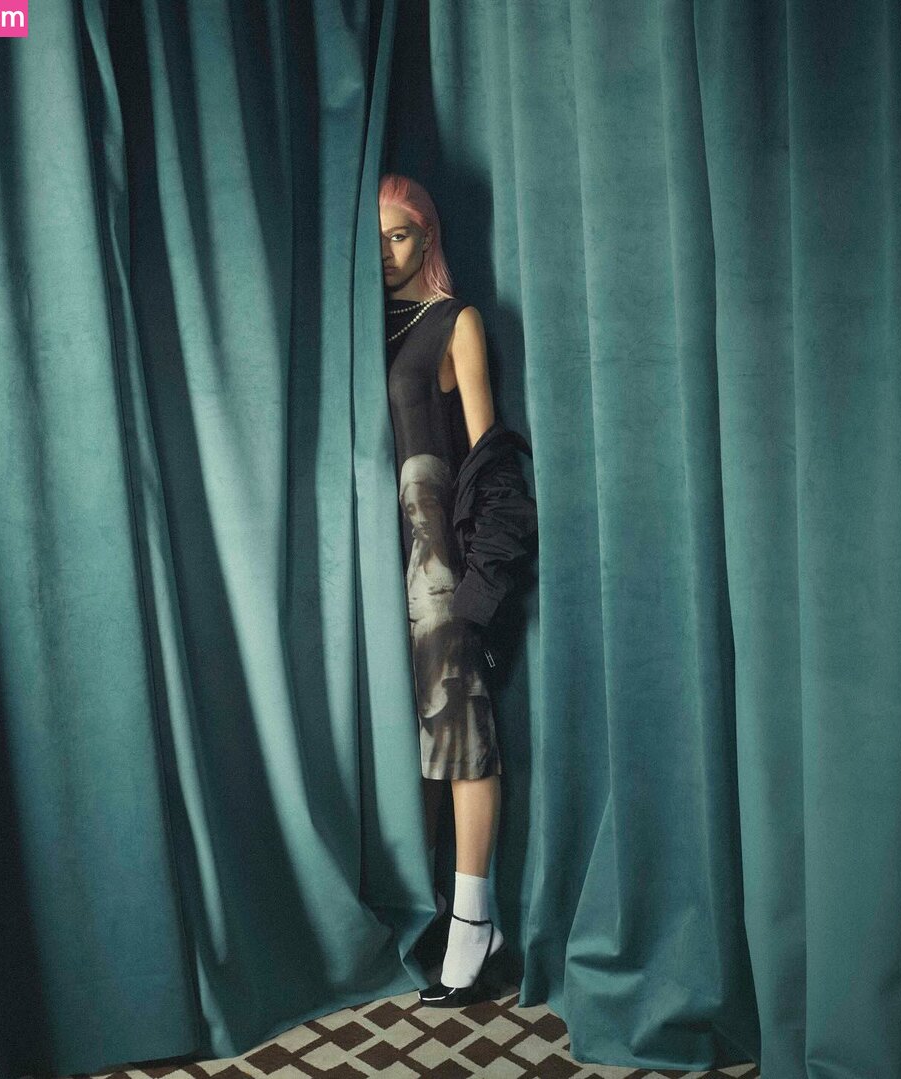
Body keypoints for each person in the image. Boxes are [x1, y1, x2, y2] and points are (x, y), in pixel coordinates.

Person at [380, 172, 528, 1006]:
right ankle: (429, 909)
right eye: (374, 239)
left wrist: (481, 580)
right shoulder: (359, 324)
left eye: (399, 234)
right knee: (407, 743)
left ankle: (476, 921)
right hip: (373, 556)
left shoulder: (453, 320)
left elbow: (490, 452)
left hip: (435, 557)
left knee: (460, 727)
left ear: (428, 236)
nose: (386, 252)